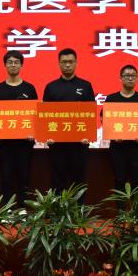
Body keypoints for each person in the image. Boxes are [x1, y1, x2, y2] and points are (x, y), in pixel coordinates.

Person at [0, 51, 38, 211]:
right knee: (6, 177)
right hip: (4, 143)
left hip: (25, 143)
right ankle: (7, 209)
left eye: (16, 62)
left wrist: (33, 132)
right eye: (10, 62)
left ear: (21, 65)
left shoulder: (29, 88)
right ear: (5, 65)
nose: (13, 65)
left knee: (24, 177)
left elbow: (35, 114)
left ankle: (23, 209)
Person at [42, 48, 96, 192]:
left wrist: (88, 135)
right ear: (59, 64)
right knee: (57, 180)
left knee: (79, 181)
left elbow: (90, 113)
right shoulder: (51, 87)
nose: (67, 65)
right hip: (57, 144)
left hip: (79, 143)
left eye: (71, 62)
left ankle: (79, 207)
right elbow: (45, 115)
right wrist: (47, 135)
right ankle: (59, 207)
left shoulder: (85, 86)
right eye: (64, 62)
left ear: (76, 63)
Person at [104, 64, 138, 197]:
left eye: (133, 76)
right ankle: (120, 209)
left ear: (137, 78)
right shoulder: (111, 99)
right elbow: (105, 121)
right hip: (118, 147)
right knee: (119, 180)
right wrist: (113, 135)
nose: (130, 78)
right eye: (127, 76)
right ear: (120, 78)